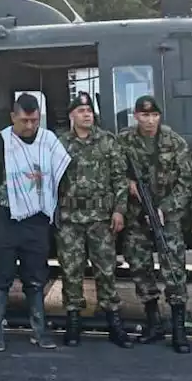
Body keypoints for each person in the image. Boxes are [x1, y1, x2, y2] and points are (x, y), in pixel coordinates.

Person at [0, 94, 72, 351]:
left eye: (34, 120)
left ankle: (39, 330)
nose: (30, 126)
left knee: (35, 276)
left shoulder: (49, 140)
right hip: (5, 218)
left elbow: (63, 172)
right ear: (13, 117)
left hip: (36, 220)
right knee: (0, 276)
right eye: (24, 121)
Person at [54, 92, 133, 348]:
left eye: (89, 110)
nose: (86, 114)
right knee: (71, 271)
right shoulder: (60, 143)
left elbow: (120, 179)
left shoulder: (107, 142)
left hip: (101, 219)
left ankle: (113, 319)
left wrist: (119, 210)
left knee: (106, 271)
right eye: (80, 110)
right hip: (70, 219)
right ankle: (73, 319)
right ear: (71, 116)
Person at [117, 95, 192, 354]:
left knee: (173, 270)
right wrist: (129, 186)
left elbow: (185, 183)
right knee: (140, 269)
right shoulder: (124, 141)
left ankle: (179, 329)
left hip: (166, 218)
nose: (150, 121)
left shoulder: (175, 143)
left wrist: (165, 209)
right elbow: (113, 172)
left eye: (154, 115)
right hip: (136, 218)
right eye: (144, 115)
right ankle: (153, 323)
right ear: (136, 116)